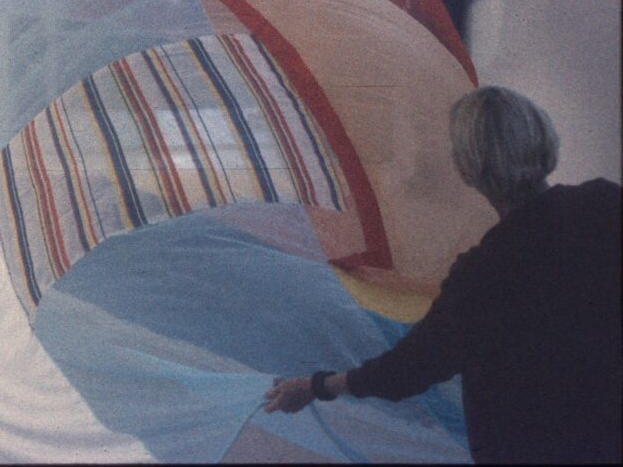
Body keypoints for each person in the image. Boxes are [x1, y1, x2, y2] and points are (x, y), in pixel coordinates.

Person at [264, 85, 622, 464]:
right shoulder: (605, 205)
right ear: (544, 136)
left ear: (468, 168)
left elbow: (407, 370)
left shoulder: (484, 273)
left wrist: (317, 386)